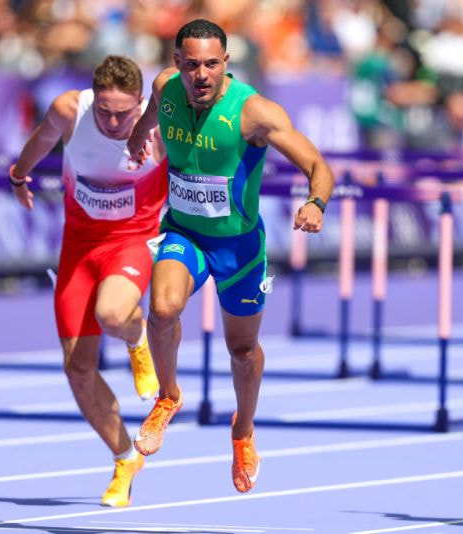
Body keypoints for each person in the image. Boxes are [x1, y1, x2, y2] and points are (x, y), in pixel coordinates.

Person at [126, 19, 335, 493]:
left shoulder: (254, 113)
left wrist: (315, 203)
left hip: (239, 249)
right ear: (177, 62)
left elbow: (320, 166)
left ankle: (243, 431)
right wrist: (140, 134)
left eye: (212, 65)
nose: (202, 75)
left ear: (227, 64)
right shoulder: (165, 87)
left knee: (242, 352)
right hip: (184, 233)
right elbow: (154, 110)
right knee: (161, 311)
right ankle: (169, 396)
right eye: (193, 65)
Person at [9, 55, 168, 506]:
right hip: (79, 246)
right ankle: (124, 459)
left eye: (124, 112)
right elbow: (40, 142)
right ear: (92, 100)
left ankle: (137, 337)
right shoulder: (68, 110)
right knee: (78, 368)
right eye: (105, 111)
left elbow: (175, 80)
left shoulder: (158, 131)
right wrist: (19, 175)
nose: (115, 121)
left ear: (142, 103)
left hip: (134, 240)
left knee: (113, 312)